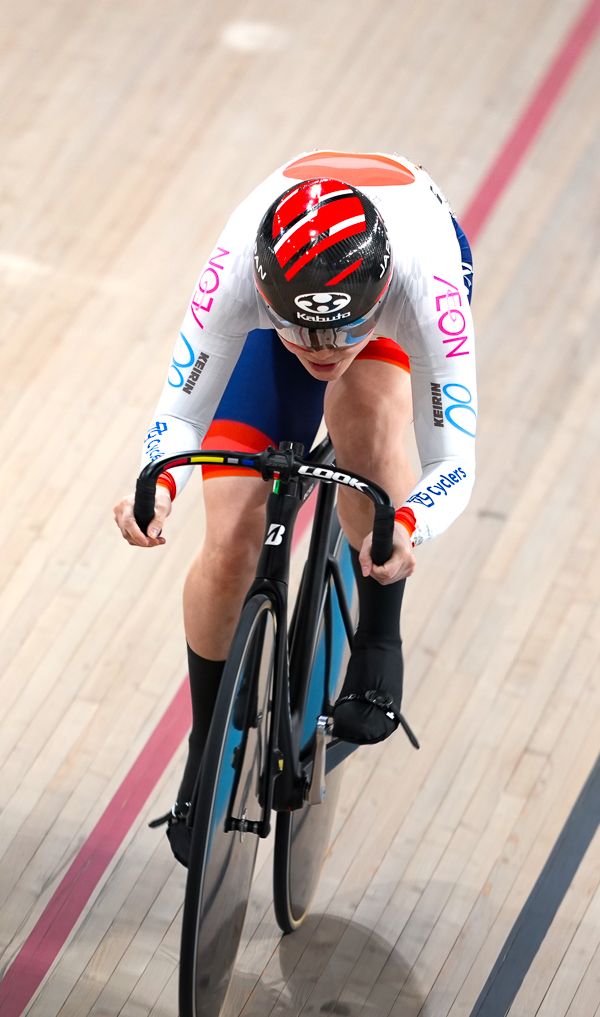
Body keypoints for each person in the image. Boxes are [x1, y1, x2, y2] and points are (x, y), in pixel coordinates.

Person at [112, 150, 478, 865]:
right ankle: (206, 742)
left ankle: (378, 639)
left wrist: (408, 524)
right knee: (231, 533)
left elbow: (453, 461)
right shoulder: (238, 271)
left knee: (365, 429)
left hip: (393, 296)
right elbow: (178, 417)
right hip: (295, 285)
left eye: (337, 332)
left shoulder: (424, 286)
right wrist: (157, 486)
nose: (320, 350)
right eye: (300, 332)